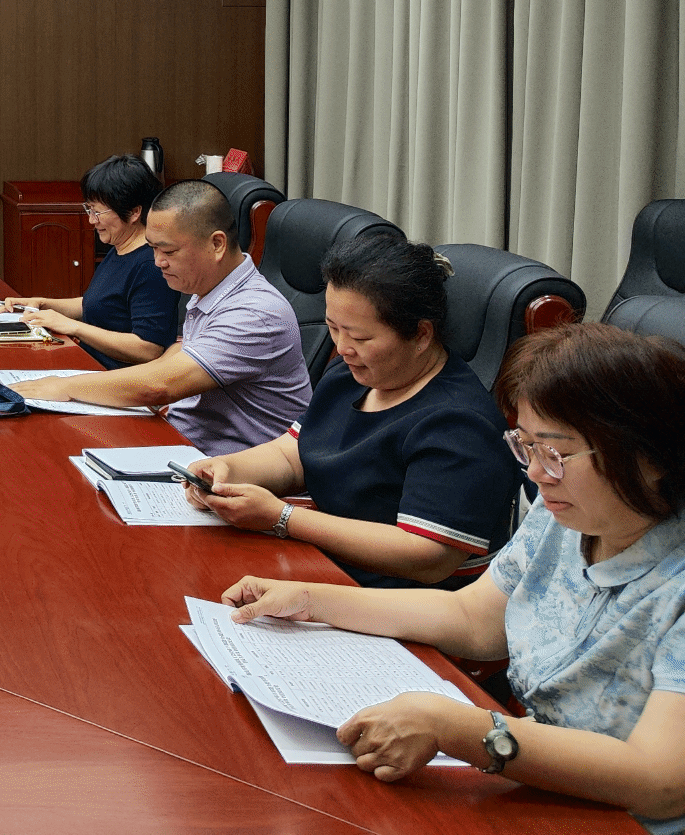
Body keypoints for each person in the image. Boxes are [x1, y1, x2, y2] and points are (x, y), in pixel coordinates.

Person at [219, 324, 685, 829]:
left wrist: (458, 728)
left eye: (555, 453)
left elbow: (660, 783)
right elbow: (472, 617)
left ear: (650, 457)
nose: (534, 473)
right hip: (539, 783)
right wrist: (311, 600)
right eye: (526, 446)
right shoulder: (567, 517)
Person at [182, 231, 521, 587]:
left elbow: (427, 555)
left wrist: (283, 517)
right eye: (333, 328)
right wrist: (226, 470)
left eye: (360, 337)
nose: (342, 347)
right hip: (324, 567)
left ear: (421, 335)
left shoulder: (459, 424)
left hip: (396, 597)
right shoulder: (351, 375)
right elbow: (293, 456)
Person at [12, 179, 309, 456]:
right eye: (153, 248)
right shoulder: (212, 288)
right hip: (184, 440)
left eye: (168, 251)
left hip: (228, 468)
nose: (158, 262)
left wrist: (65, 387)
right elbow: (178, 354)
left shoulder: (255, 312)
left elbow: (160, 385)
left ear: (217, 244)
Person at [3, 153, 178, 366]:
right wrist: (42, 303)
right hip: (88, 362)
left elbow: (148, 349)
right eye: (89, 209)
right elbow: (97, 304)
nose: (91, 220)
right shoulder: (120, 247)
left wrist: (74, 327)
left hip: (114, 376)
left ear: (134, 212)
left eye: (98, 212)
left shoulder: (151, 266)